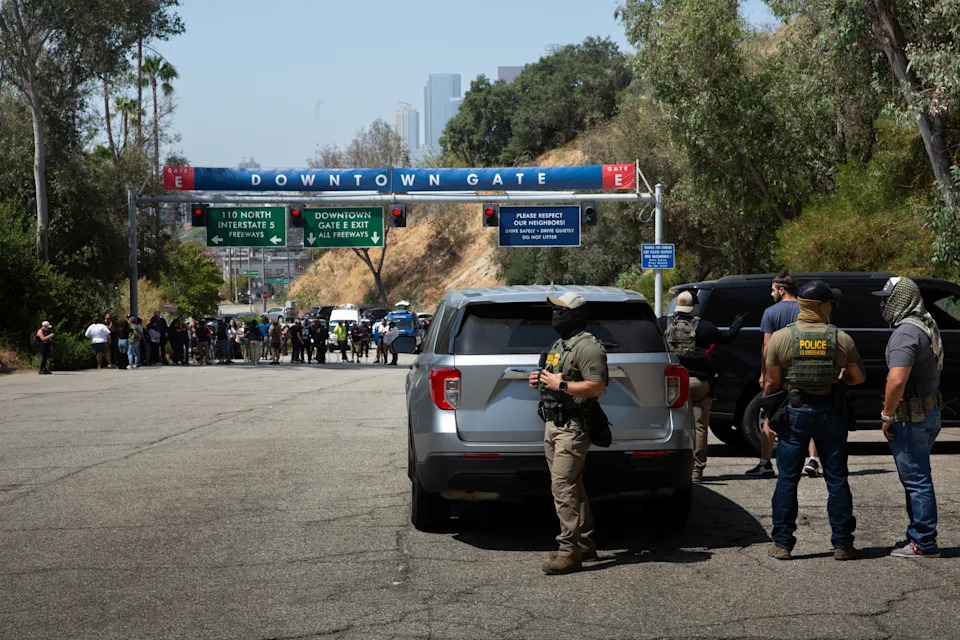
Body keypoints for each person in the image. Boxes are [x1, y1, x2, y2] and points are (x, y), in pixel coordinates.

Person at [763, 280, 865, 561]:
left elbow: (771, 384)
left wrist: (768, 414)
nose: (832, 306)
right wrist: (839, 376)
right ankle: (843, 545)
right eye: (829, 302)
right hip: (831, 413)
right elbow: (858, 378)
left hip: (794, 413)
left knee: (787, 480)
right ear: (821, 307)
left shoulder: (782, 338)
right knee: (836, 479)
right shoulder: (840, 338)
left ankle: (783, 544)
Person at [526, 292, 608, 575]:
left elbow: (596, 387)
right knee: (571, 485)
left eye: (561, 310)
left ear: (576, 314)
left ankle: (569, 552)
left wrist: (562, 386)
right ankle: (584, 543)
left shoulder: (588, 348)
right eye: (554, 309)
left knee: (562, 487)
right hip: (553, 424)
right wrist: (540, 380)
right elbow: (553, 376)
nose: (556, 314)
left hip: (573, 427)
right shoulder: (561, 345)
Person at [873, 276, 944, 558]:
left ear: (900, 300)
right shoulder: (926, 325)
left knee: (917, 480)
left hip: (911, 418)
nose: (882, 304)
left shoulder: (905, 332)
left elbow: (897, 380)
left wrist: (887, 415)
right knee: (918, 477)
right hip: (928, 412)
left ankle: (923, 543)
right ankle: (919, 535)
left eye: (887, 299)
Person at [659, 291, 746, 483]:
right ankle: (696, 471)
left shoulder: (663, 323)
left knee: (666, 426)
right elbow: (728, 337)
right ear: (694, 308)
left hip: (672, 385)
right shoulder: (705, 327)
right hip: (698, 384)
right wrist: (737, 323)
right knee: (699, 427)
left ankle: (668, 469)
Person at [749, 270, 821, 479]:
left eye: (773, 290)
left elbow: (766, 346)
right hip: (805, 370)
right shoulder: (806, 309)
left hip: (778, 371)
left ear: (781, 290)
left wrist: (764, 374)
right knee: (810, 414)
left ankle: (765, 463)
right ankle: (813, 461)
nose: (771, 294)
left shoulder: (770, 312)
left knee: (769, 416)